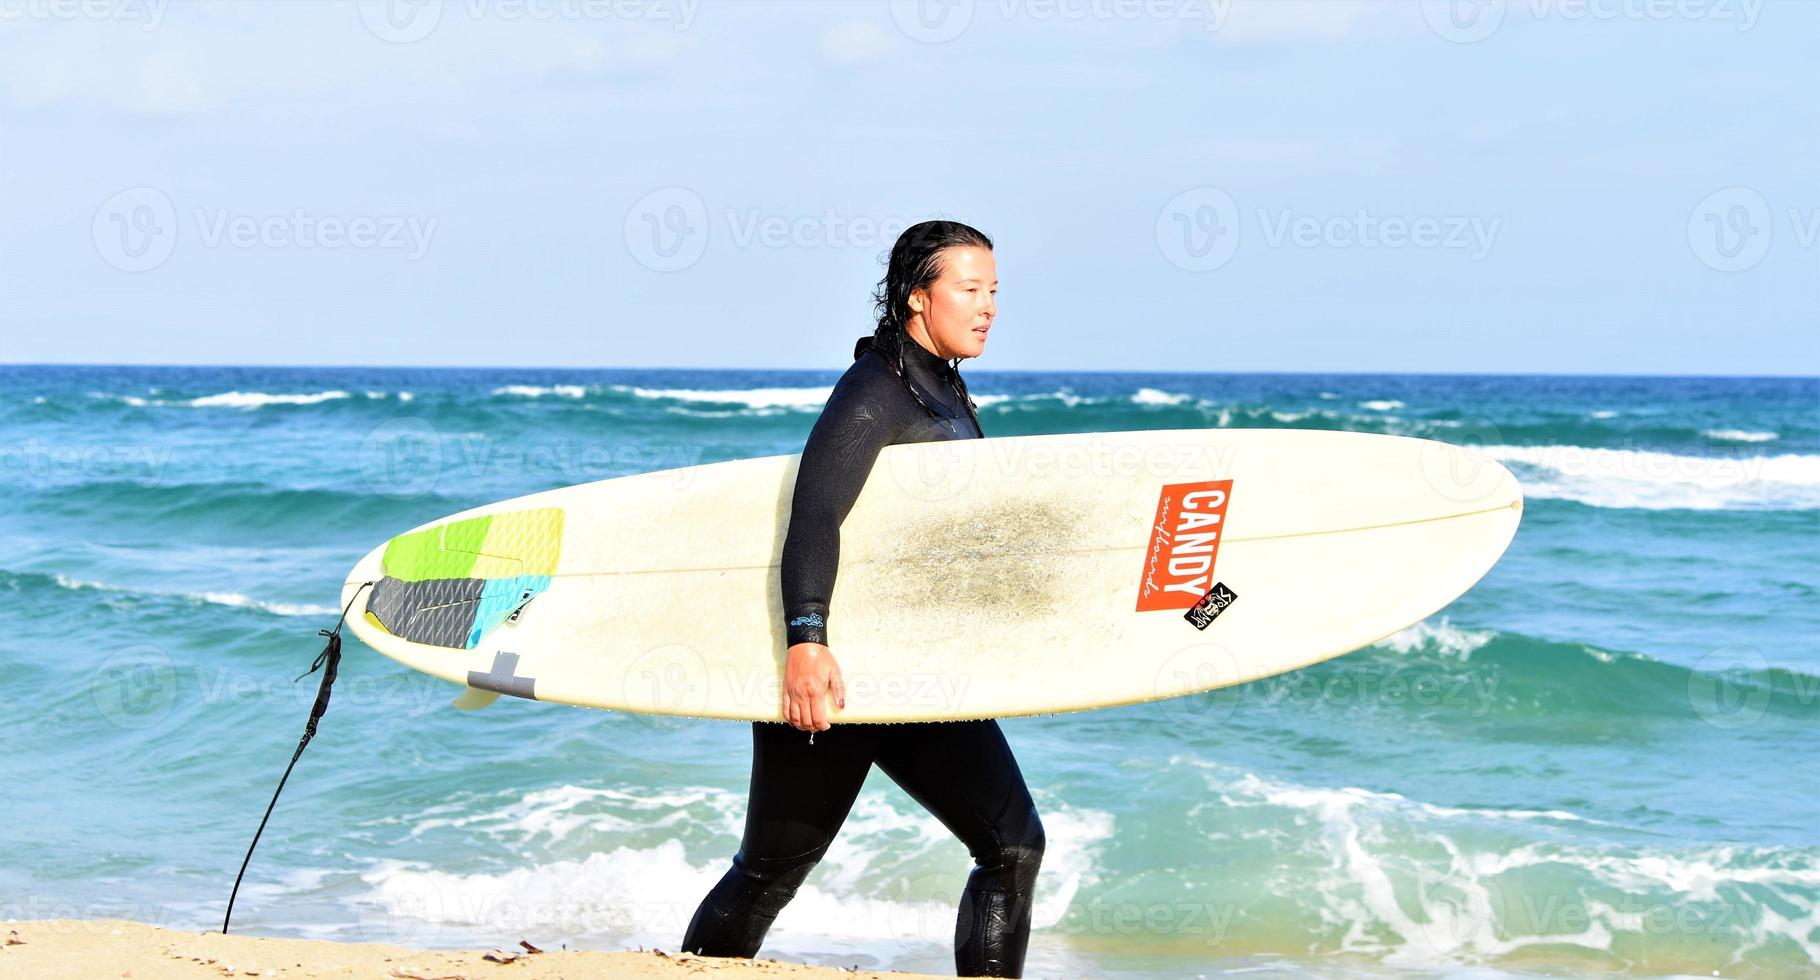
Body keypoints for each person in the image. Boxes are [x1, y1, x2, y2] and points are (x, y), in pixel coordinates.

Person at [681, 220, 1046, 977]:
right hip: (838, 676)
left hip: (911, 673)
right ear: (919, 297)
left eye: (995, 292)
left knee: (1012, 846)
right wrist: (806, 641)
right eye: (970, 290)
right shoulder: (875, 390)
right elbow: (814, 512)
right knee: (770, 869)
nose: (989, 307)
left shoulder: (942, 385)